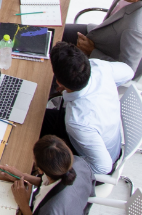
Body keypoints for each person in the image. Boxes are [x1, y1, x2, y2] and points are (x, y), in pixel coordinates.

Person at [41, 42, 133, 175]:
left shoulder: (77, 121)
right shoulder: (99, 67)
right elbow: (128, 72)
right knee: (35, 116)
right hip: (103, 139)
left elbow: (103, 168)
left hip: (93, 159)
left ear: (59, 82)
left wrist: (67, 165)